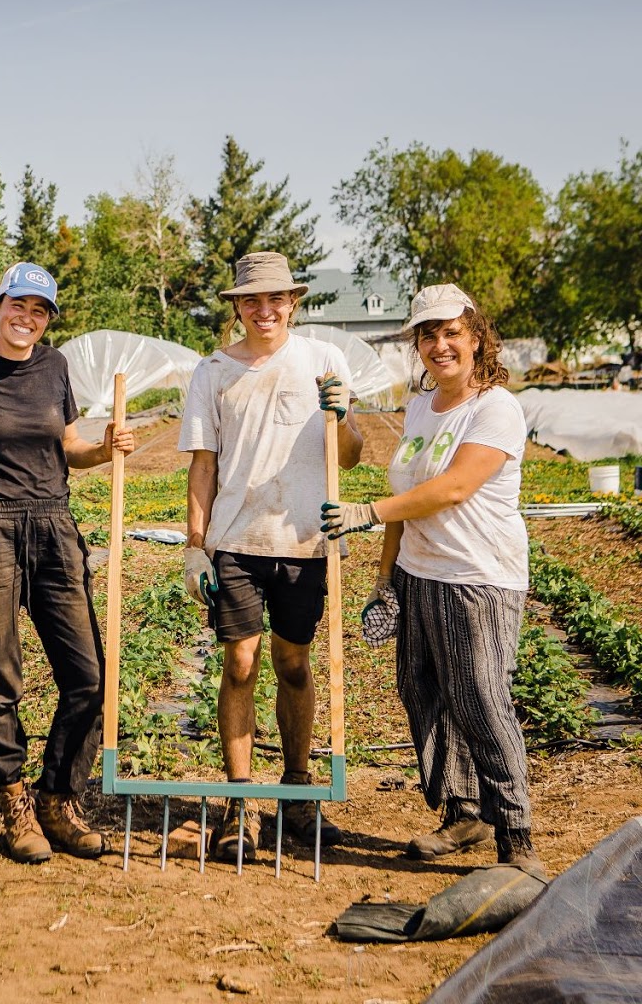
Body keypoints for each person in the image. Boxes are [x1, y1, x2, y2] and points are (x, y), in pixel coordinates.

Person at [321, 282, 543, 876]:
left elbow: (452, 488)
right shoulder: (421, 408)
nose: (439, 345)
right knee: (422, 693)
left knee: (480, 699)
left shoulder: (495, 407)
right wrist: (384, 579)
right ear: (416, 344)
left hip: (477, 577)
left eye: (450, 332)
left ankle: (515, 835)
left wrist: (365, 515)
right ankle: (463, 811)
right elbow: (409, 495)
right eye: (427, 335)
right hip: (419, 572)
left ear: (475, 336)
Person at [0, 263, 135, 864]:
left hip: (52, 522)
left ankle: (57, 797)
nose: (28, 319)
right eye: (18, 306)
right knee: (0, 673)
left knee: (88, 674)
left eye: (40, 311)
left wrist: (104, 448)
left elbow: (68, 444)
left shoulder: (54, 367)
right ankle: (14, 799)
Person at [177, 251, 364, 861]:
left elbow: (353, 453)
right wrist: (194, 547)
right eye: (252, 301)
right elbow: (203, 465)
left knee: (293, 665)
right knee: (239, 664)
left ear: (293, 303)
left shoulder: (323, 361)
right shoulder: (211, 373)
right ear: (237, 307)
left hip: (304, 540)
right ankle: (239, 801)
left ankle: (298, 790)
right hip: (234, 540)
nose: (265, 311)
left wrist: (341, 417)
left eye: (276, 299)